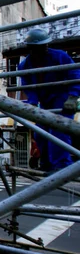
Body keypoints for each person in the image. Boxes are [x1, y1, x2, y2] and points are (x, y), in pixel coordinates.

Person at [18, 28, 80, 172]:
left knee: (58, 131)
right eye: (37, 47)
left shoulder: (59, 57)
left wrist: (72, 97)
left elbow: (75, 75)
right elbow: (29, 87)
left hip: (62, 99)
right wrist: (32, 101)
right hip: (44, 102)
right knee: (39, 132)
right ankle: (46, 164)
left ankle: (62, 166)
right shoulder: (25, 65)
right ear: (31, 48)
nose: (42, 49)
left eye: (44, 46)